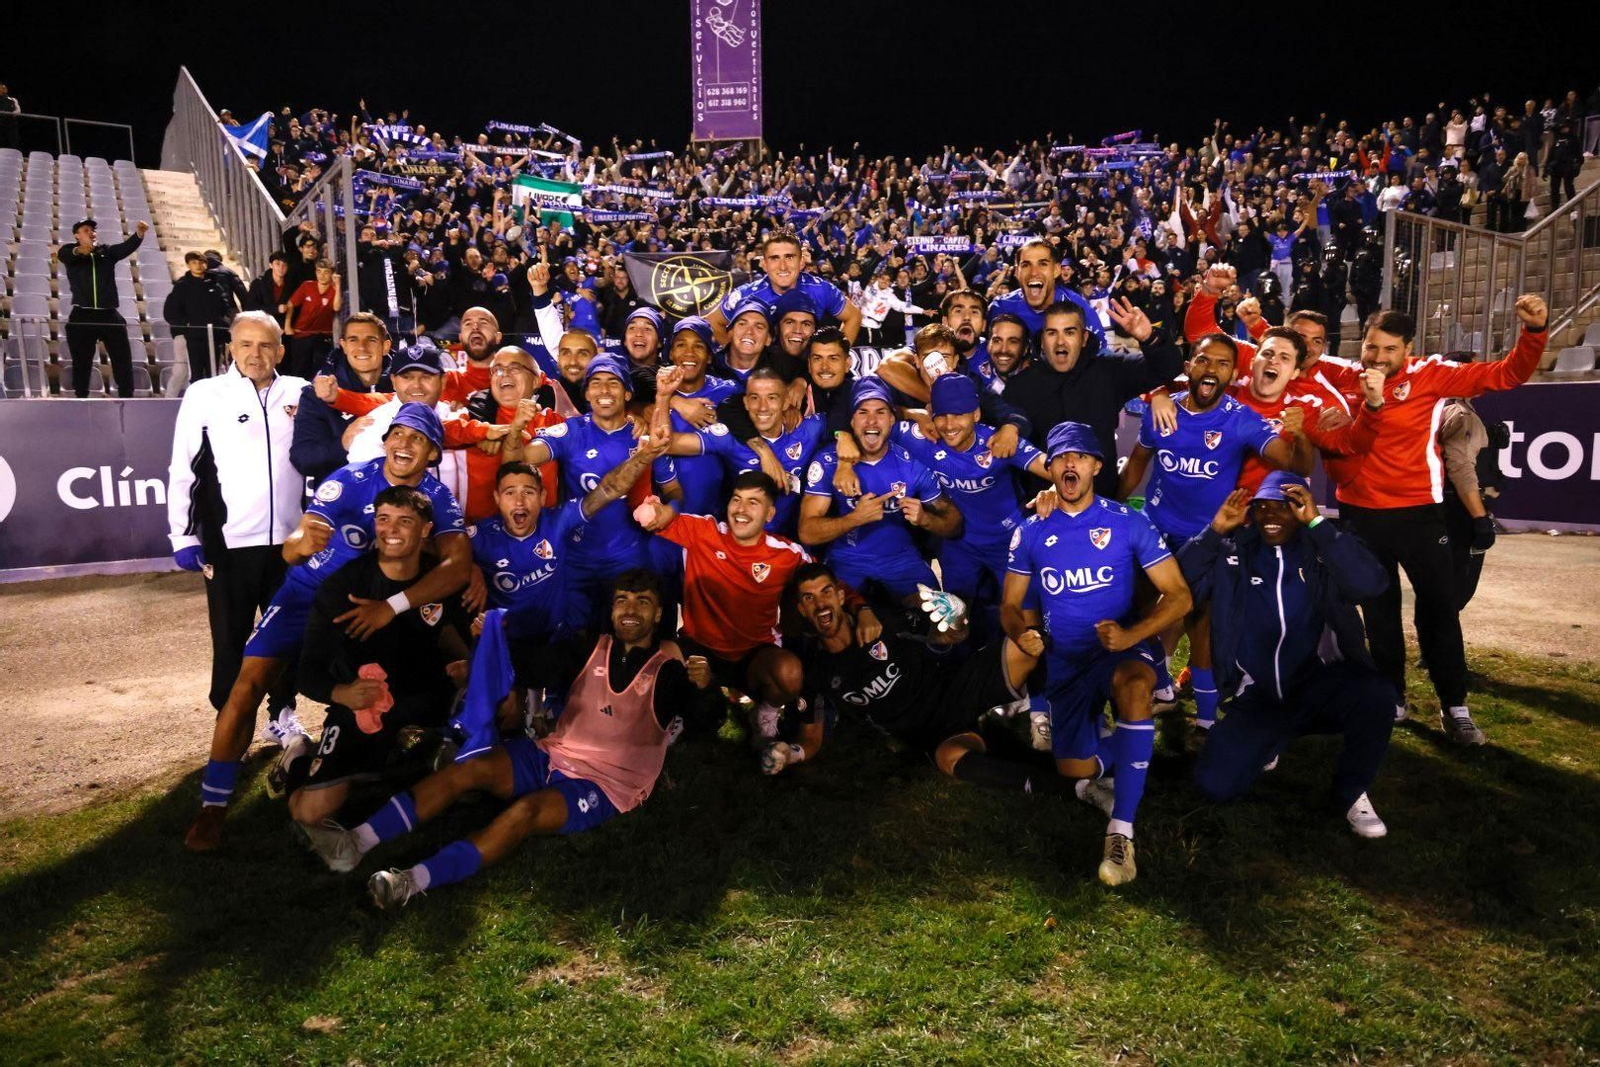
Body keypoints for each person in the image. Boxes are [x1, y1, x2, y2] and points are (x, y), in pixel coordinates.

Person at [299, 570, 710, 911]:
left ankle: (411, 881)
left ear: (658, 614)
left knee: (525, 812)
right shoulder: (589, 647)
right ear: (612, 608)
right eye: (622, 600)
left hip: (606, 783)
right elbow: (532, 664)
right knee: (468, 767)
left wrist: (704, 688)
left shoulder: (669, 671)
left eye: (642, 602)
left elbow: (705, 720)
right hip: (554, 752)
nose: (630, 610)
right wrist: (494, 634)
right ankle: (357, 841)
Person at [182, 403, 471, 852]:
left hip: (377, 606)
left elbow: (457, 567)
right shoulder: (350, 479)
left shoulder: (438, 498)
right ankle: (212, 808)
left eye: (417, 438)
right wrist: (299, 544)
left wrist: (394, 605)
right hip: (309, 596)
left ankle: (388, 762)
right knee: (248, 683)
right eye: (398, 434)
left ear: (433, 452)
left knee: (421, 675)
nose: (403, 444)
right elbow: (299, 541)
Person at [1331, 299, 1547, 742]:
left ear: (1407, 349)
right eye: (1372, 347)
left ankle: (1455, 706)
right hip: (1361, 516)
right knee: (1380, 615)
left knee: (1440, 611)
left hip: (1419, 516)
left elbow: (1508, 374)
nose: (1377, 357)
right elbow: (1292, 354)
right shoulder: (1344, 376)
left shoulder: (1431, 373)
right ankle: (1392, 696)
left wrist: (1535, 332)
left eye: (1389, 349)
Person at [1002, 422, 1193, 886]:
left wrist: (1132, 635)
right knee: (1075, 772)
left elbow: (1180, 596)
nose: (1070, 464)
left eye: (1080, 457)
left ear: (1095, 467)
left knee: (1134, 687)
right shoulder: (1029, 531)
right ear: (1050, 469)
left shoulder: (1128, 520)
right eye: (1061, 457)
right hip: (1066, 664)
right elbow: (1010, 605)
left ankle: (1121, 832)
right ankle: (1127, 748)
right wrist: (1021, 633)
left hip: (1117, 651)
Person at [1180, 474, 1395, 839]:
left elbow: (1371, 584)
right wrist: (1215, 530)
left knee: (1377, 695)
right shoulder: (1235, 550)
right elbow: (1178, 582)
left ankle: (1351, 790)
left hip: (1318, 684)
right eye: (1262, 507)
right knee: (1214, 786)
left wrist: (1320, 526)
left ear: (1301, 511)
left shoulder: (1322, 548)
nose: (1270, 515)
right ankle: (1270, 740)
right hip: (1259, 695)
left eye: (1283, 506)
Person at [278, 487, 474, 828]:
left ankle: (406, 759)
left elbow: (462, 641)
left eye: (404, 521)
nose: (391, 530)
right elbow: (306, 670)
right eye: (383, 520)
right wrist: (343, 693)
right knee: (309, 813)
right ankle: (298, 761)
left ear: (426, 529)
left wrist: (467, 666)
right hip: (360, 707)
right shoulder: (343, 588)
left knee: (474, 766)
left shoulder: (443, 581)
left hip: (425, 699)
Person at [776, 562, 1059, 793]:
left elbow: (948, 634)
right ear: (801, 609)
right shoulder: (815, 670)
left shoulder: (881, 620)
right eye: (809, 598)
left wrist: (957, 617)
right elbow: (810, 737)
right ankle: (1068, 785)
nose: (820, 603)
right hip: (929, 733)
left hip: (954, 688)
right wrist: (790, 753)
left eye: (826, 592)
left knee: (1027, 643)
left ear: (840, 596)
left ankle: (1060, 711)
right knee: (948, 759)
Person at [166, 310, 309, 739]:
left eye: (265, 344)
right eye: (245, 344)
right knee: (230, 640)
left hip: (291, 541)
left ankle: (282, 714)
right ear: (231, 347)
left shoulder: (299, 391)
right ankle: (230, 722)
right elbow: (183, 469)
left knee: (285, 636)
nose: (255, 353)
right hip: (227, 543)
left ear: (279, 350)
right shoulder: (205, 394)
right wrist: (184, 534)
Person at [499, 355, 683, 630]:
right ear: (586, 393)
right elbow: (516, 463)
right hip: (576, 558)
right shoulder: (570, 432)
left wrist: (670, 510)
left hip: (629, 557)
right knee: (573, 641)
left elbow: (673, 490)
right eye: (595, 383)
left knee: (633, 635)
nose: (604, 391)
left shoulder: (645, 437)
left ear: (627, 392)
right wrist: (515, 431)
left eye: (613, 382)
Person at [632, 470, 813, 743]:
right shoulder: (704, 531)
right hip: (700, 646)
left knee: (788, 673)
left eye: (753, 502)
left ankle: (765, 713)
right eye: (736, 499)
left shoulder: (787, 554)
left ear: (770, 513)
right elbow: (659, 520)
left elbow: (823, 583)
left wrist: (861, 608)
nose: (741, 510)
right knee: (658, 659)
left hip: (753, 654)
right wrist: (653, 511)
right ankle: (678, 711)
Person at [800, 378, 963, 604]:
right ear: (851, 421)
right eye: (863, 412)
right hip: (845, 561)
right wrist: (855, 518)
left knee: (945, 618)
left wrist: (925, 519)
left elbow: (954, 523)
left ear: (892, 419)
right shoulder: (829, 462)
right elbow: (806, 531)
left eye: (880, 412)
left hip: (901, 560)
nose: (871, 422)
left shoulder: (911, 462)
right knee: (832, 619)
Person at [1003, 300, 1184, 498]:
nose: (1060, 341)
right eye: (1052, 333)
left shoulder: (1109, 370)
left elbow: (1168, 368)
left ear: (1084, 338)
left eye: (1069, 332)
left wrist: (1150, 338)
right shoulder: (1019, 387)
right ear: (1042, 340)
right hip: (1043, 508)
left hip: (1101, 502)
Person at [290, 313, 394, 486]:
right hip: (341, 502)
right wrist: (341, 444)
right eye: (353, 340)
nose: (362, 347)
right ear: (343, 346)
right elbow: (303, 459)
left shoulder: (404, 387)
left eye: (371, 340)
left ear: (385, 346)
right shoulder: (317, 393)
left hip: (396, 502)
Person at [709, 229, 862, 344]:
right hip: (763, 374)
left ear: (802, 262)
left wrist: (836, 354)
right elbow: (713, 323)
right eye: (774, 258)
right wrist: (736, 360)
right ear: (764, 264)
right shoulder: (746, 295)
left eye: (789, 257)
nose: (783, 266)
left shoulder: (821, 289)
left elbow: (854, 316)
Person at [55, 217, 149, 397]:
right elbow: (66, 254)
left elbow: (125, 248)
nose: (91, 232)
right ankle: (81, 397)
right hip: (82, 315)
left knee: (122, 359)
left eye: (92, 230)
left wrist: (139, 234)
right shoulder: (69, 251)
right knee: (81, 361)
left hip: (109, 314)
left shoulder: (106, 252)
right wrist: (80, 250)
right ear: (76, 235)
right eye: (86, 230)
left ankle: (127, 398)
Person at [1437, 398, 1498, 610]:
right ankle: (1441, 641)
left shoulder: (1446, 407)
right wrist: (1480, 518)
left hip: (1449, 504)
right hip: (1457, 509)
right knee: (1455, 593)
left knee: (1447, 592)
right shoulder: (1459, 413)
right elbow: (1460, 467)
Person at [988, 239, 1102, 340]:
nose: (1034, 272)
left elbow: (1101, 353)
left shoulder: (1079, 309)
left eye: (1043, 264)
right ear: (1017, 272)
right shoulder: (1001, 307)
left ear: (1056, 270)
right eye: (1026, 265)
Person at [164, 252, 236, 383]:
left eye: (201, 262)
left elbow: (224, 309)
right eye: (194, 263)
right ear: (188, 265)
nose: (198, 265)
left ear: (206, 264)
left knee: (214, 373)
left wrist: (222, 326)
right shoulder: (182, 286)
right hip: (194, 337)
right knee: (195, 373)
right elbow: (170, 312)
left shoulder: (215, 285)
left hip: (213, 336)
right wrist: (186, 325)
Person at [282, 259, 341, 378]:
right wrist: (287, 326)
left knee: (320, 369)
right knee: (298, 370)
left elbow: (336, 307)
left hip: (322, 335)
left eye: (326, 272)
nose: (322, 275)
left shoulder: (334, 290)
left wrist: (338, 286)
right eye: (319, 271)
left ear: (332, 274)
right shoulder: (307, 286)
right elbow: (290, 304)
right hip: (301, 334)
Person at [245, 251, 294, 327]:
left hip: (284, 326)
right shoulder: (259, 283)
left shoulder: (291, 283)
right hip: (263, 325)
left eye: (284, 265)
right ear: (271, 265)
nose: (281, 268)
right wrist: (276, 309)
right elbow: (250, 307)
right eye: (277, 264)